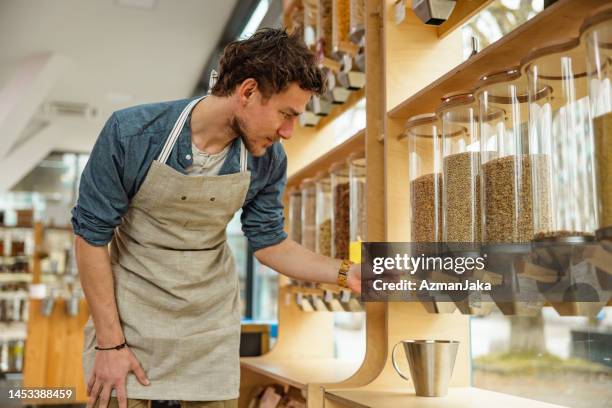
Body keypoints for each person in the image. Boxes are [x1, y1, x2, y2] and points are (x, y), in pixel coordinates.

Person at [72, 28, 362, 408]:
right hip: (128, 327)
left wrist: (347, 272)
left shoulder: (266, 160)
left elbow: (271, 243)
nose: (288, 132)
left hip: (209, 337)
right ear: (247, 92)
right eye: (285, 114)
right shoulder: (132, 134)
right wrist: (110, 343)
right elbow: (91, 238)